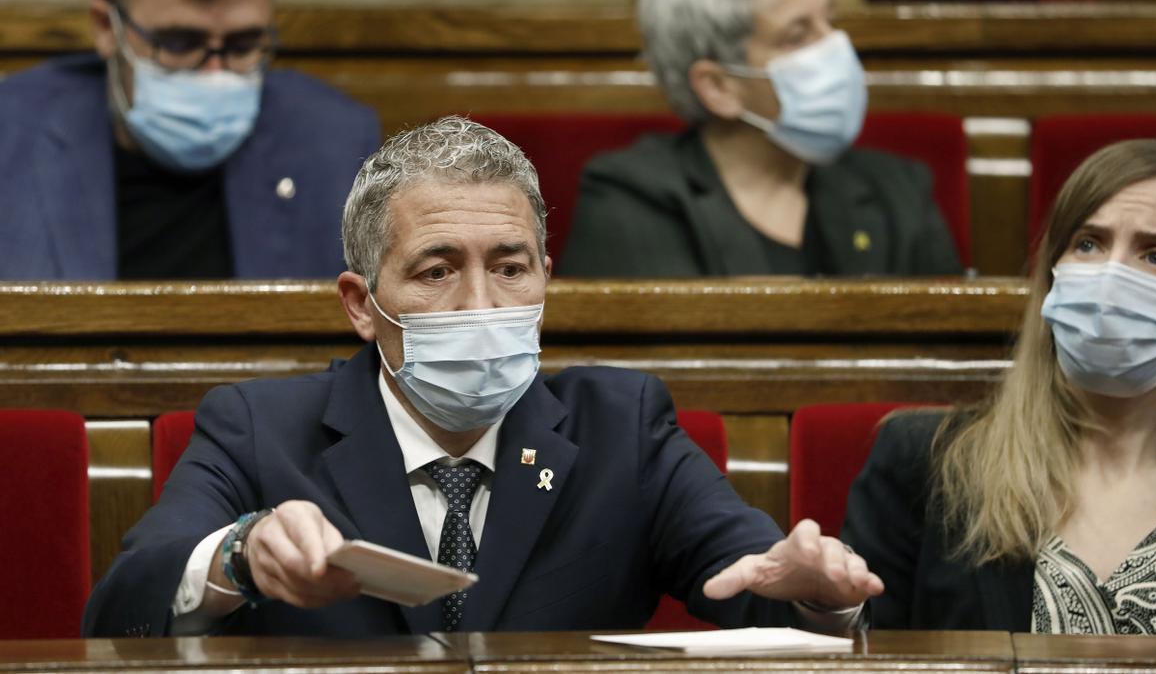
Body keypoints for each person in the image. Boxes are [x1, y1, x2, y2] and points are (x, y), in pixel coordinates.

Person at [82, 117, 883, 638]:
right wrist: (238, 556)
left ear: (544, 277)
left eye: (509, 268)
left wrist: (818, 591)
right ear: (362, 304)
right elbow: (119, 615)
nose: (480, 304)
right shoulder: (259, 427)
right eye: (436, 270)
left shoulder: (622, 426)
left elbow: (759, 586)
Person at [842, 138, 1156, 634]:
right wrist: (824, 607)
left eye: (1155, 255)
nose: (1109, 277)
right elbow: (857, 649)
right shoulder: (924, 462)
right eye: (1088, 244)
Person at [559, 0, 961, 278]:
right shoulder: (630, 199)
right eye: (798, 35)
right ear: (718, 87)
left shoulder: (900, 190)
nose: (838, 47)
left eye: (829, 21)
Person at [0, 0, 380, 281]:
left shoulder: (335, 140)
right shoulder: (12, 133)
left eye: (242, 46)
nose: (214, 73)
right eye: (180, 44)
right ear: (106, 28)